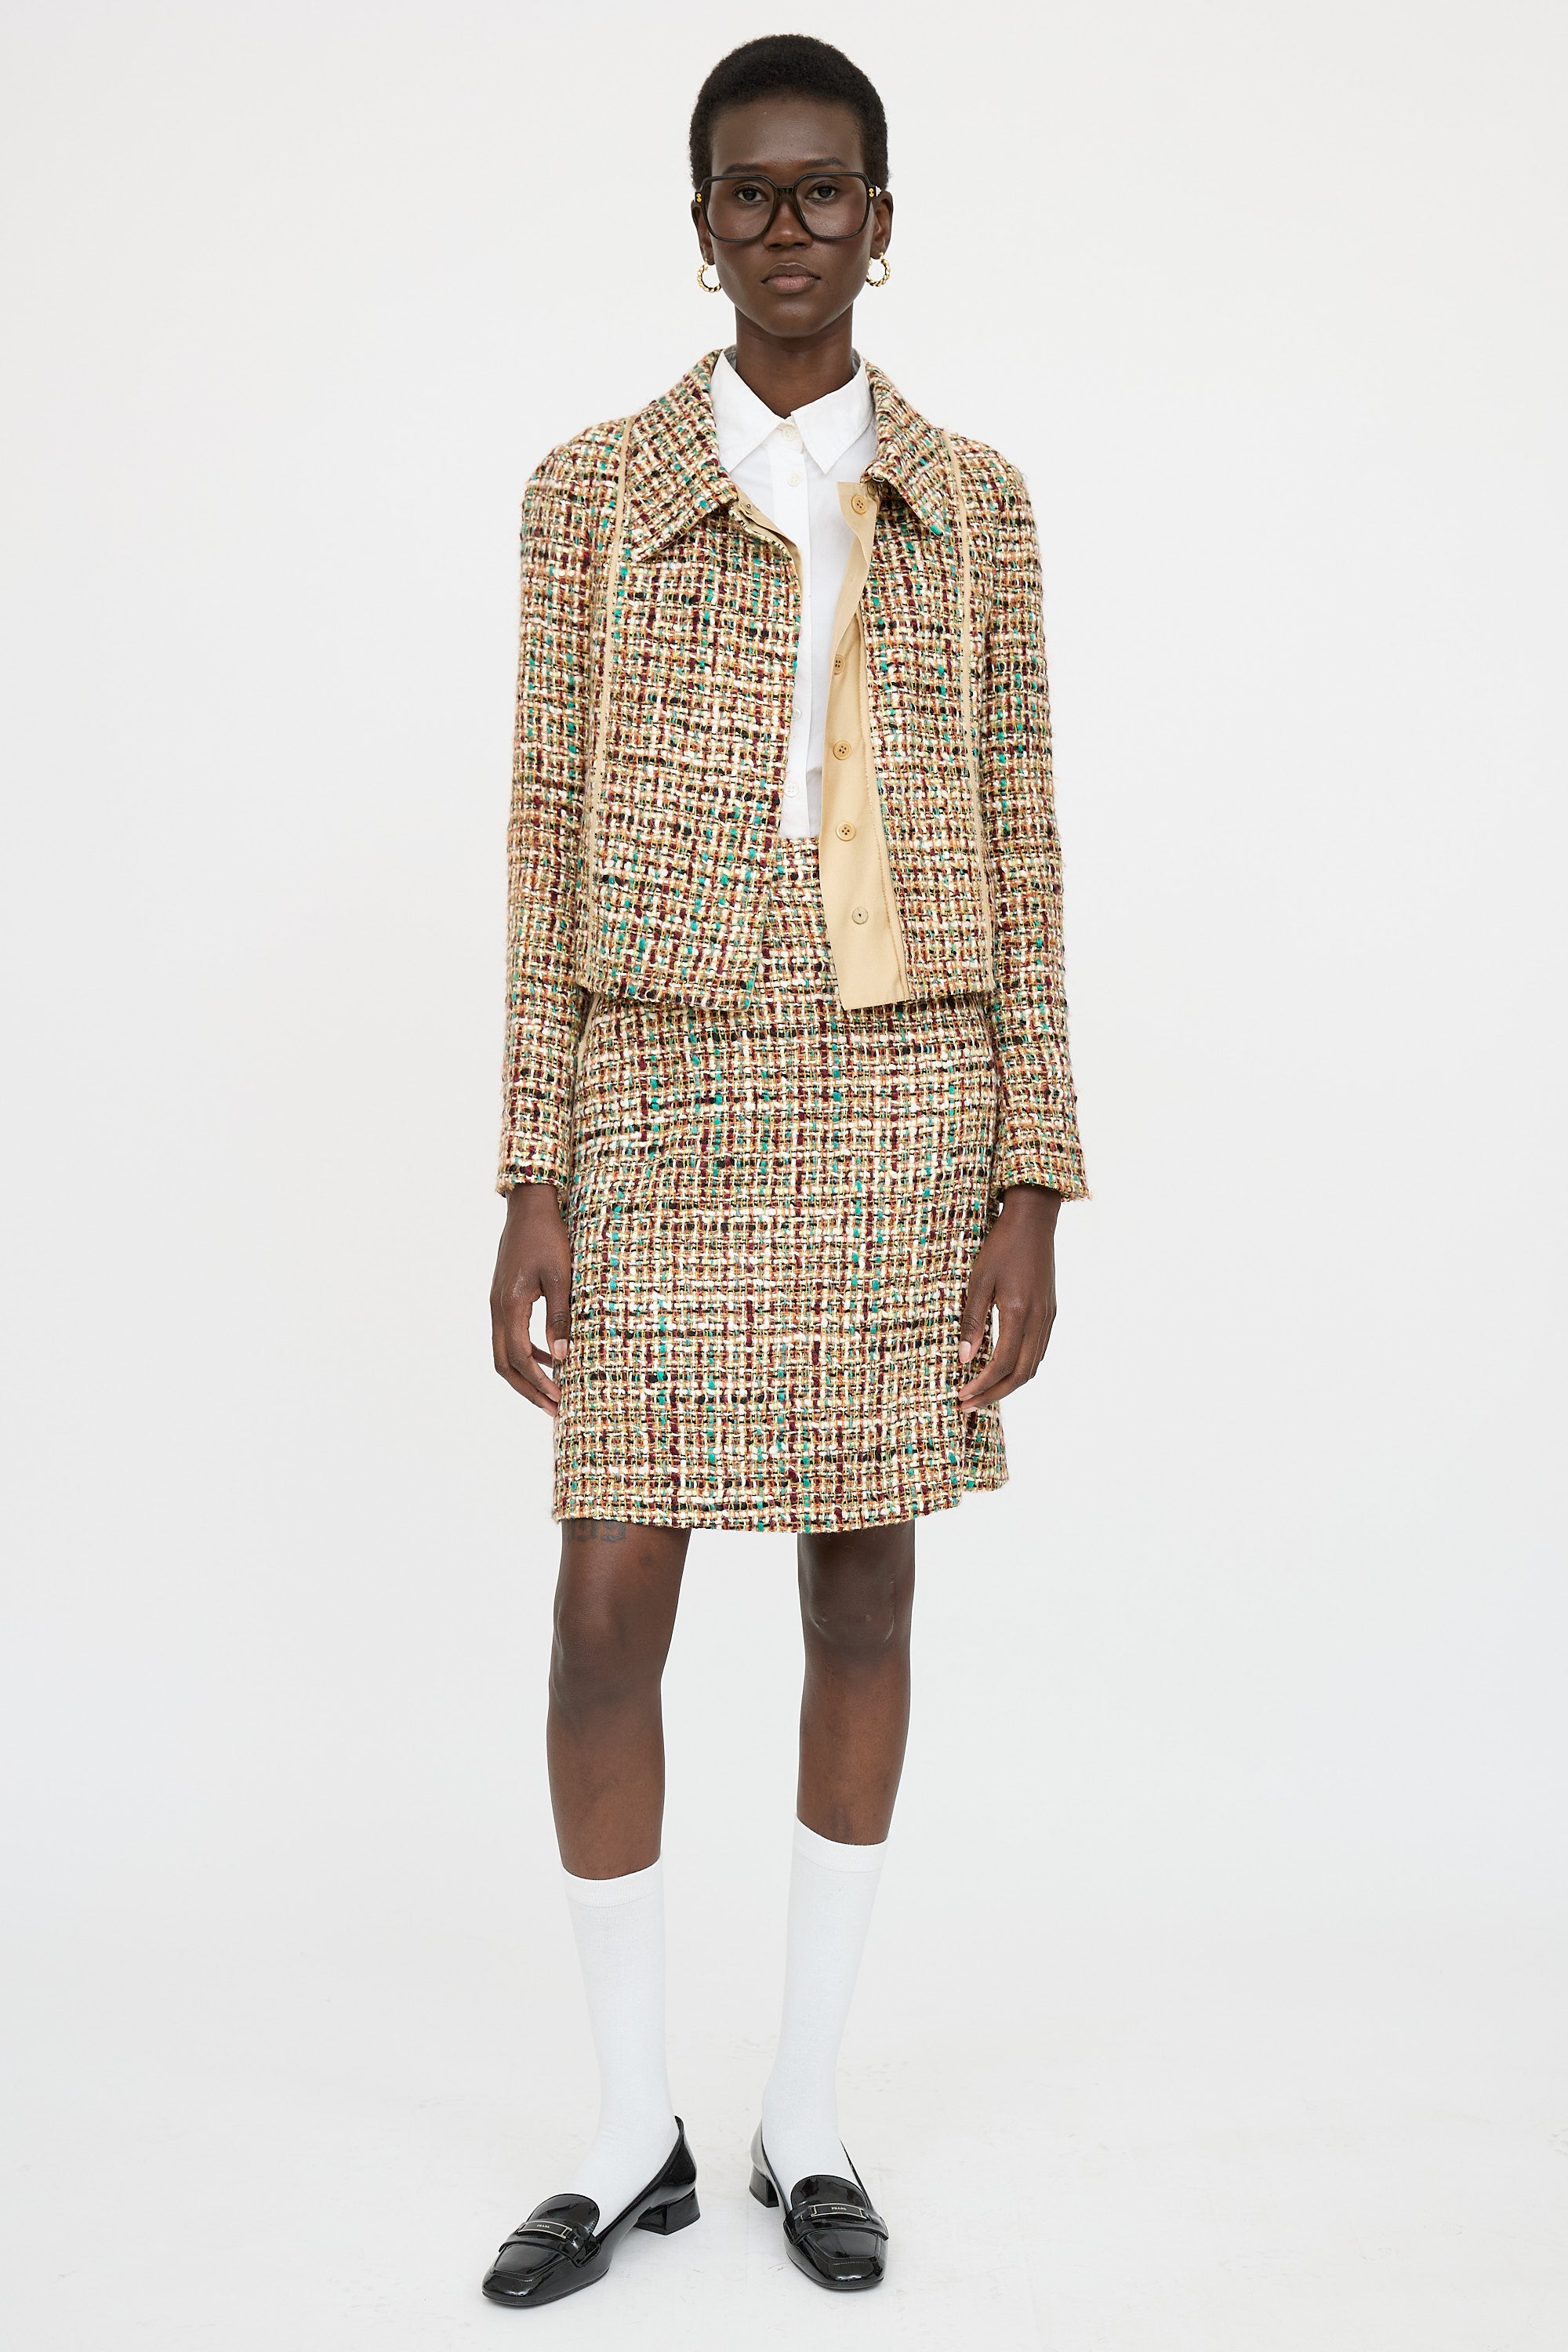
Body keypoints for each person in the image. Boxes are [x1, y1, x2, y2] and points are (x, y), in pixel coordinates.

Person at [481, 33, 1087, 2308]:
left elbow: (1026, 834)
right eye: (749, 193)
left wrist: (1031, 1177)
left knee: (864, 1591)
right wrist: (532, 1167)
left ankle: (802, 2114)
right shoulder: (588, 498)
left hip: (902, 1100)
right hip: (654, 1091)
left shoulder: (977, 505)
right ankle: (626, 2125)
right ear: (701, 225)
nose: (788, 229)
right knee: (606, 1605)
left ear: (885, 221)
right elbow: (539, 842)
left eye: (827, 192)